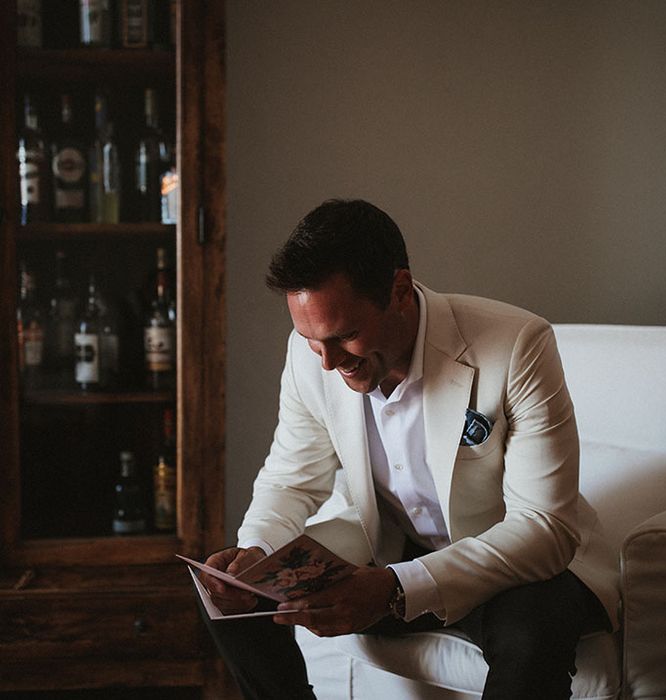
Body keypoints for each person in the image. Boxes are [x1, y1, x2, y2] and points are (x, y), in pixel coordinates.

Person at [198, 199, 619, 699]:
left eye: (347, 336)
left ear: (399, 291)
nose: (328, 362)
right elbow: (291, 479)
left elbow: (544, 528)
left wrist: (398, 589)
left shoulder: (517, 345)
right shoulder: (311, 352)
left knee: (532, 630)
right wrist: (256, 554)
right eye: (312, 339)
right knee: (230, 596)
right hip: (388, 544)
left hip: (506, 561)